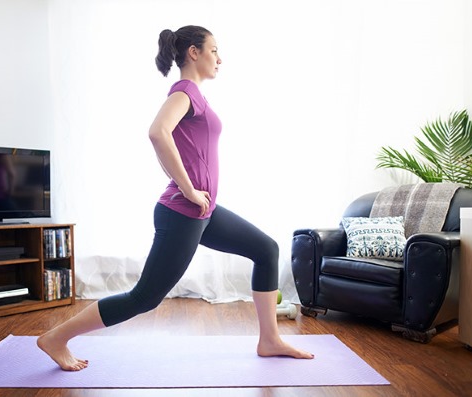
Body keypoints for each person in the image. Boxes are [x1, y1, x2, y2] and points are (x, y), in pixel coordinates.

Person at [37, 25, 314, 371]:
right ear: (193, 53)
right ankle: (56, 338)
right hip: (183, 212)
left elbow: (170, 143)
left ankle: (269, 340)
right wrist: (186, 187)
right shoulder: (185, 91)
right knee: (145, 297)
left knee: (266, 249)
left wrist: (187, 186)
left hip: (202, 211)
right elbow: (157, 132)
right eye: (214, 50)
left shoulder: (194, 94)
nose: (219, 58)